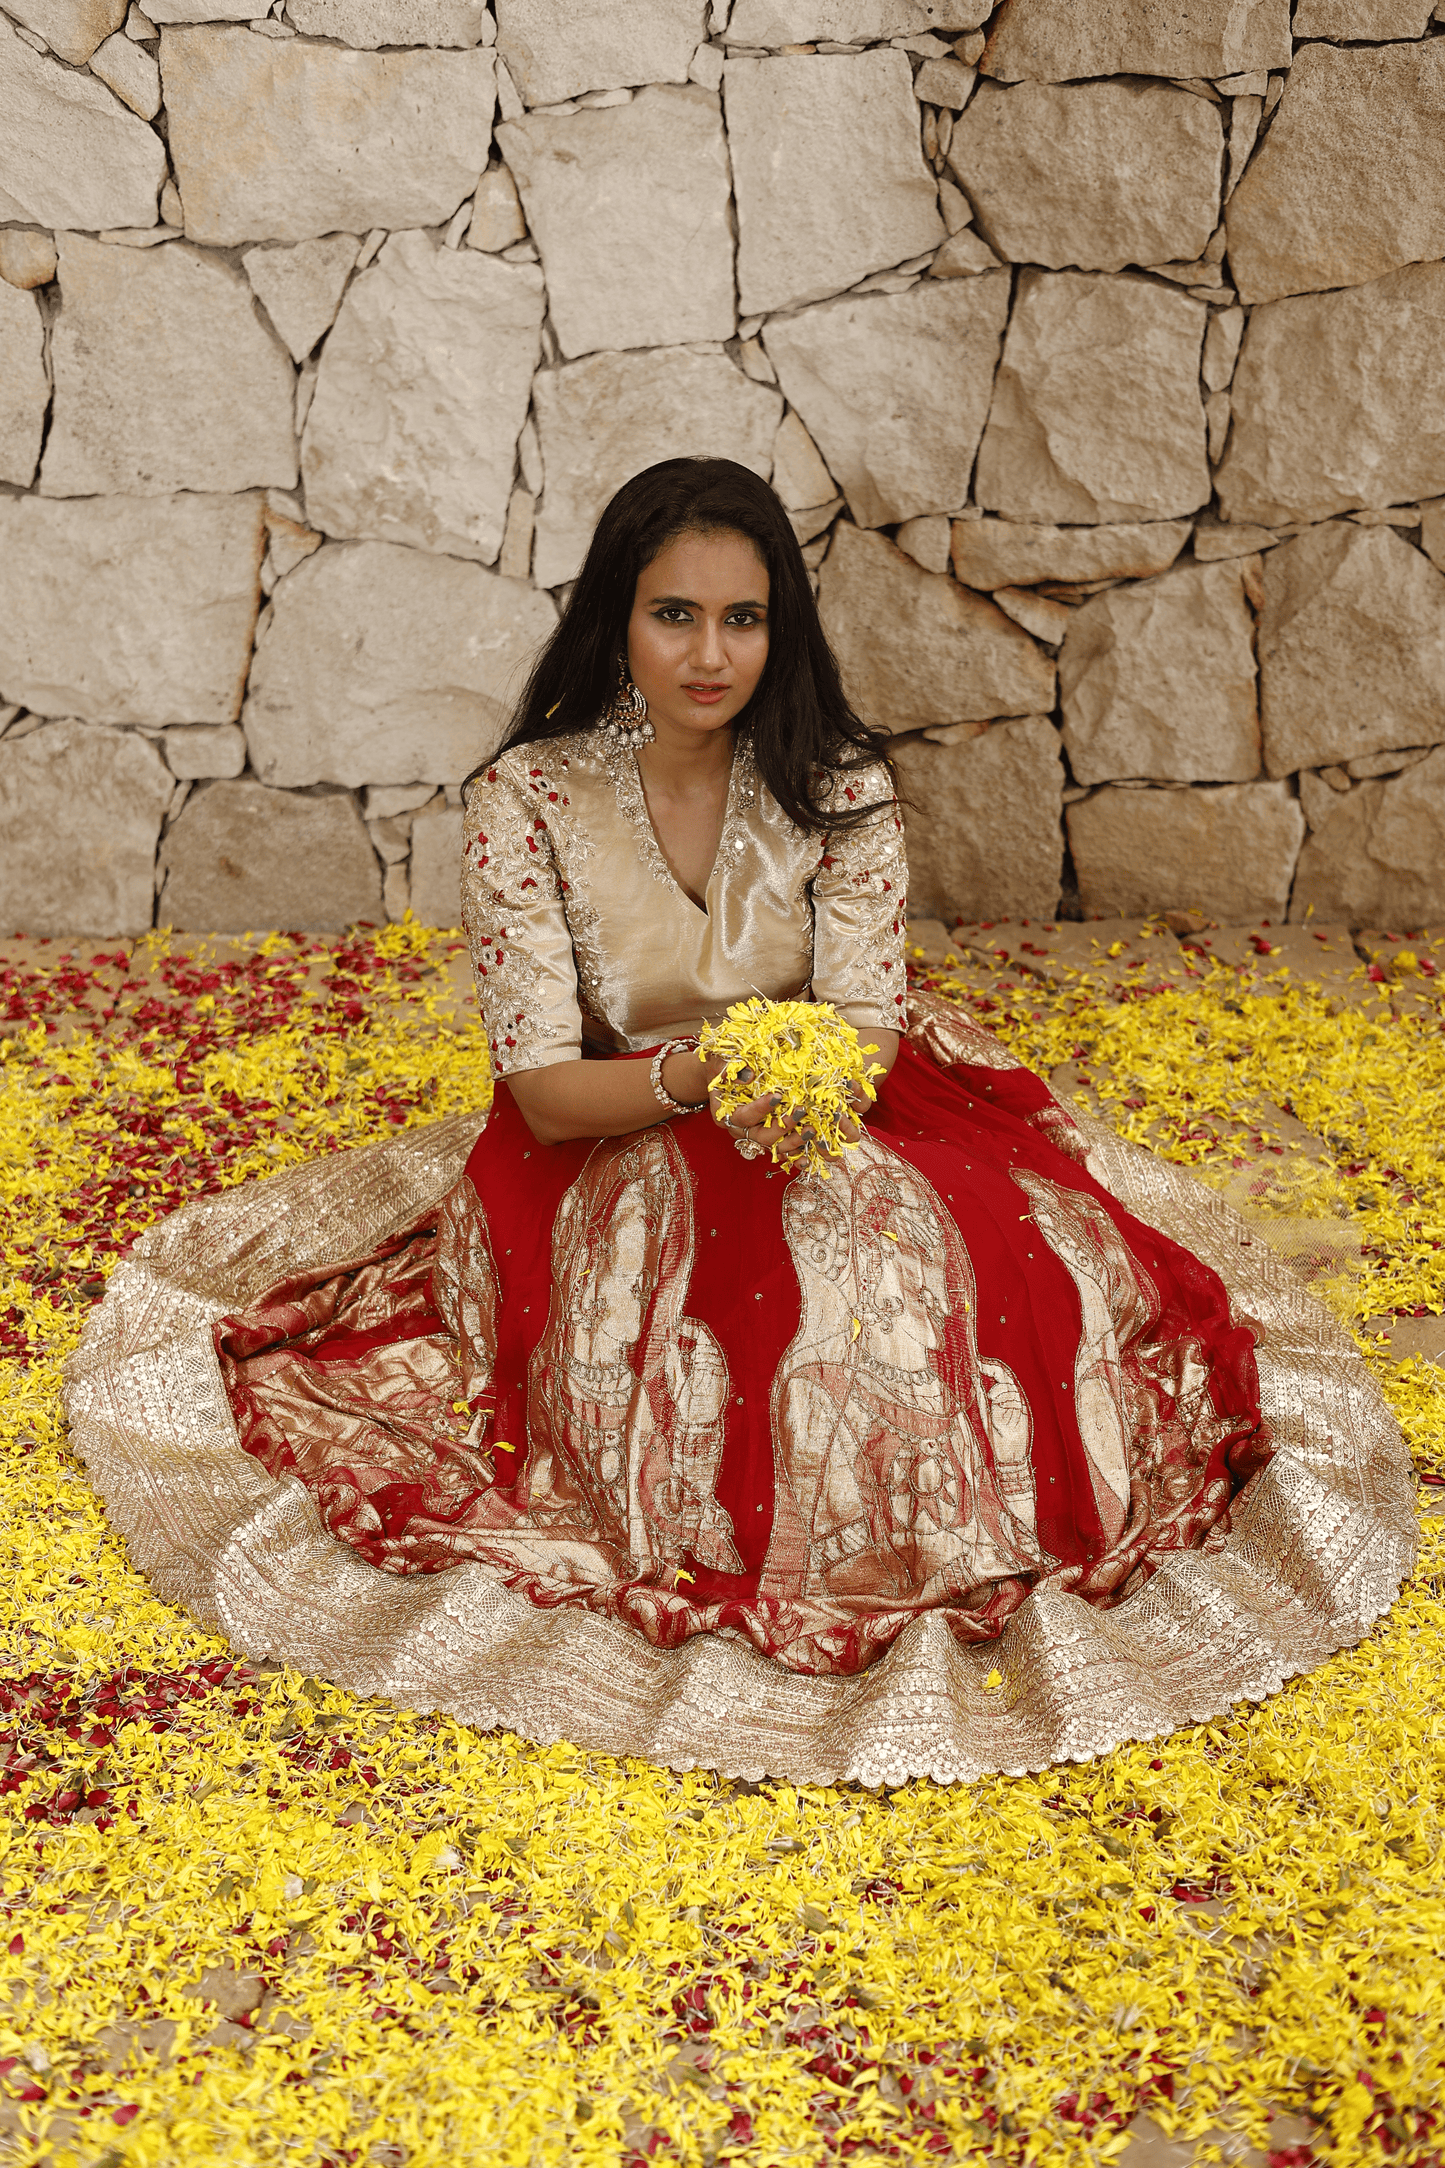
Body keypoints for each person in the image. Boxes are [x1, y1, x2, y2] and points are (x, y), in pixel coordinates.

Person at [70, 461, 1415, 1785]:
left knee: (942, 1264)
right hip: (608, 1131)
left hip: (831, 1093)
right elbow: (545, 1087)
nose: (711, 655)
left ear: (781, 630)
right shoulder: (528, 801)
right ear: (616, 618)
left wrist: (802, 1087)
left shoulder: (840, 784)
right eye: (675, 615)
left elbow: (863, 1026)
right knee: (714, 1328)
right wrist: (702, 1080)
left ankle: (932, 1542)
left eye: (744, 618)